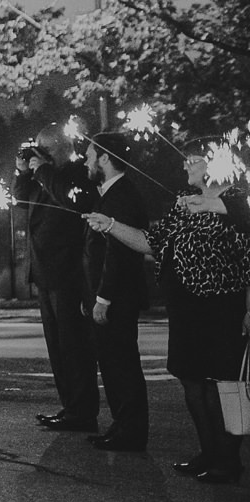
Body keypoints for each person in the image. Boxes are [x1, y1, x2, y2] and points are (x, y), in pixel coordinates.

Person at [88, 144, 244, 476]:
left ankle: (229, 461)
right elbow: (152, 242)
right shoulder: (184, 201)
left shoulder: (239, 201)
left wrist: (211, 204)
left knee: (222, 384)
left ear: (219, 163)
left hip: (222, 308)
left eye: (196, 158)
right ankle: (209, 453)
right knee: (191, 380)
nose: (186, 163)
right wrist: (111, 224)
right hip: (185, 307)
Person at [16, 126, 101, 433]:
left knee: (74, 346)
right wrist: (23, 171)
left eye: (43, 149)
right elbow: (21, 199)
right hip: (44, 272)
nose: (38, 153)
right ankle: (70, 407)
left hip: (67, 273)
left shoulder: (76, 173)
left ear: (57, 149)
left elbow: (71, 200)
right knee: (58, 348)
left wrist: (44, 170)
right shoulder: (44, 175)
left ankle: (83, 410)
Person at [79, 133, 152, 452]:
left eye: (90, 155)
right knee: (111, 362)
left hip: (117, 297)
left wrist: (102, 298)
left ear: (105, 159)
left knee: (121, 362)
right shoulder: (109, 194)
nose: (85, 160)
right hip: (108, 294)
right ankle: (122, 425)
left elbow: (118, 254)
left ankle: (131, 430)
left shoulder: (121, 196)